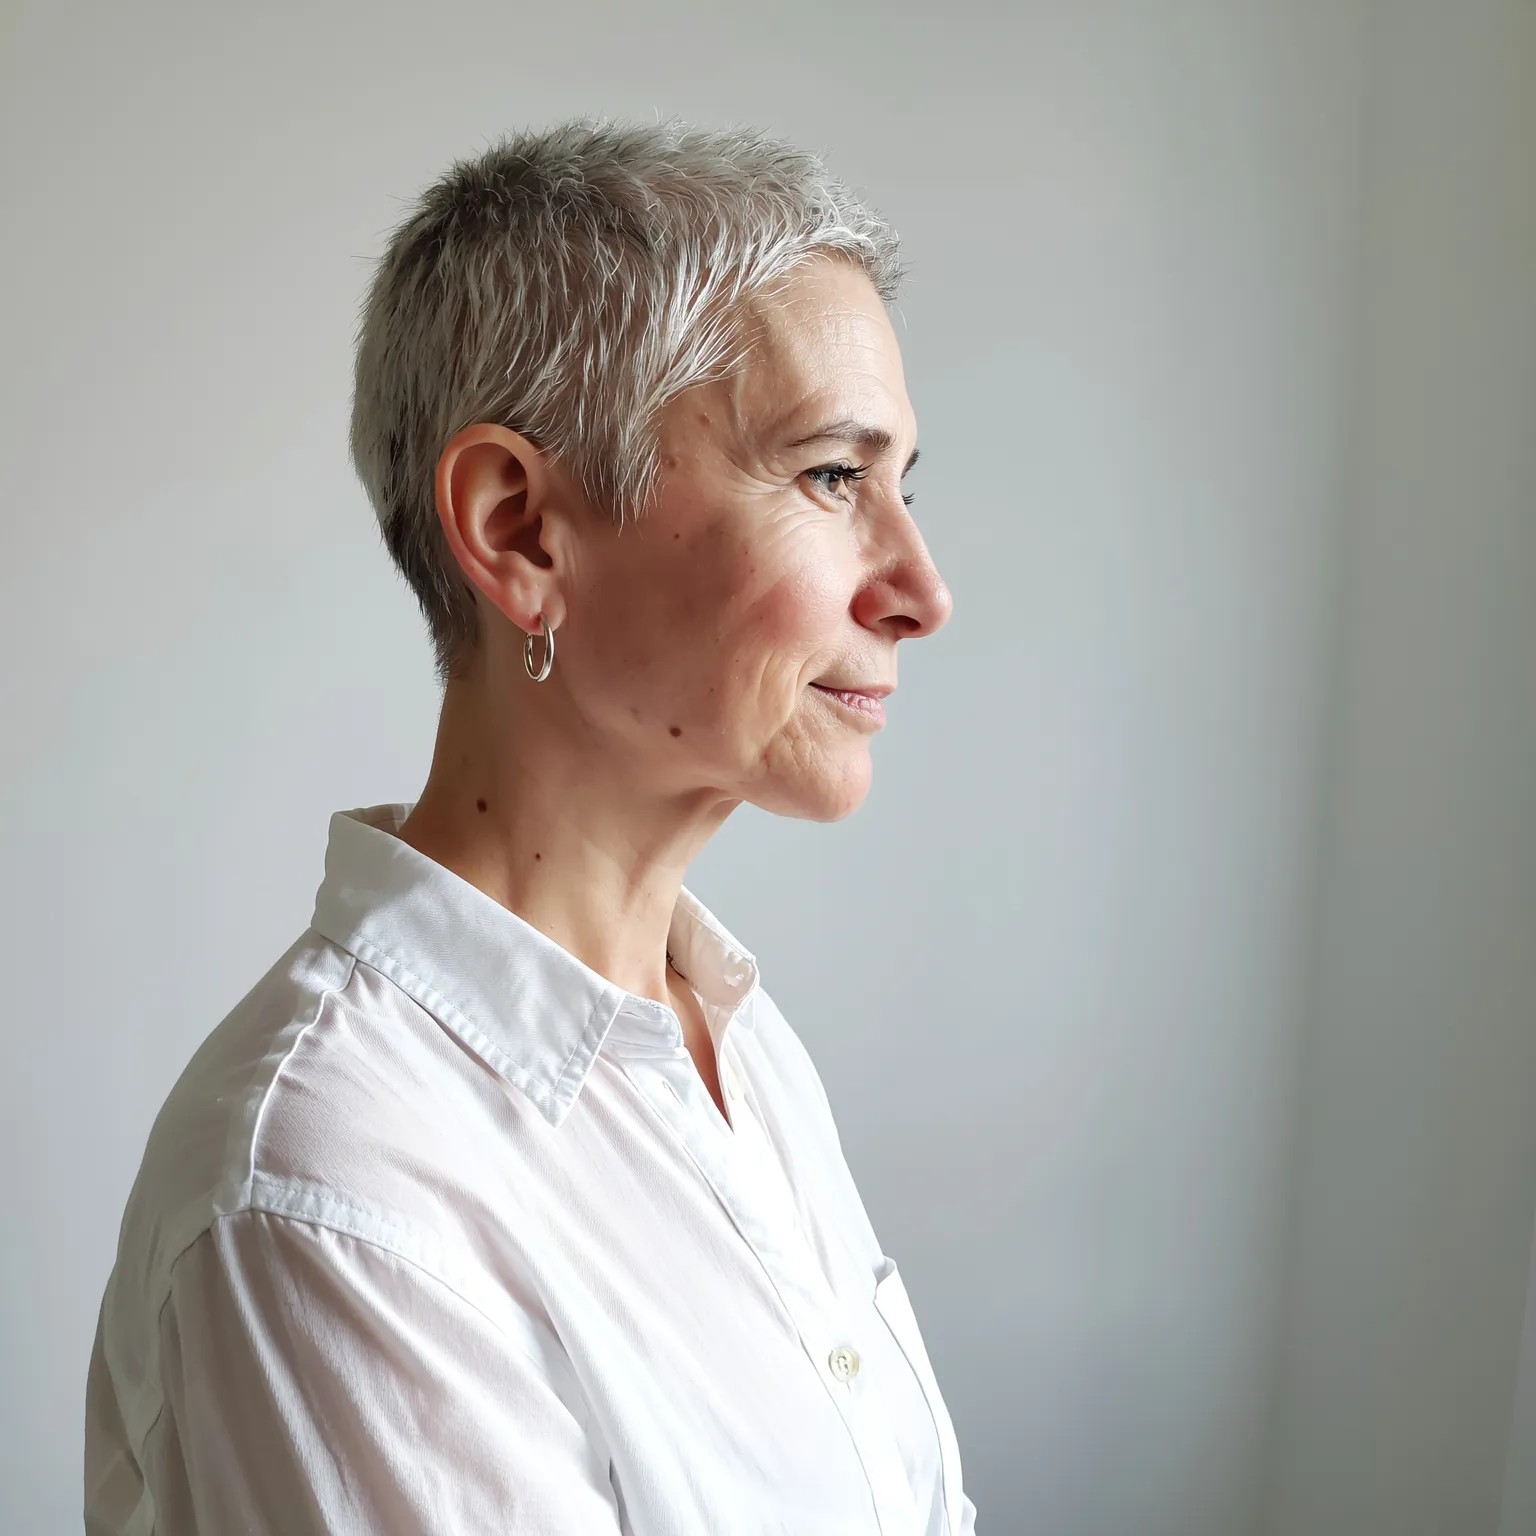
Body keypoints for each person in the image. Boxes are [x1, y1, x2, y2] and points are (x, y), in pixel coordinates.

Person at [84, 118, 972, 1535]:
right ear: (518, 531)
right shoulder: (331, 1186)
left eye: (902, 484)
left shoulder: (735, 1044)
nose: (922, 589)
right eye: (830, 476)